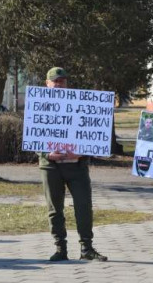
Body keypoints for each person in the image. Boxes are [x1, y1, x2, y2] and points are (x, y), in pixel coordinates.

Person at [39, 67, 107, 262]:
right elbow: (32, 138)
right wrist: (46, 153)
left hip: (76, 166)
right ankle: (60, 248)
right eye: (55, 81)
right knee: (55, 209)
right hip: (50, 166)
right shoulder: (38, 105)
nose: (59, 85)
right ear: (47, 83)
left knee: (84, 206)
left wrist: (81, 151)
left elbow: (92, 135)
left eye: (62, 81)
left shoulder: (79, 105)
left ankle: (86, 247)